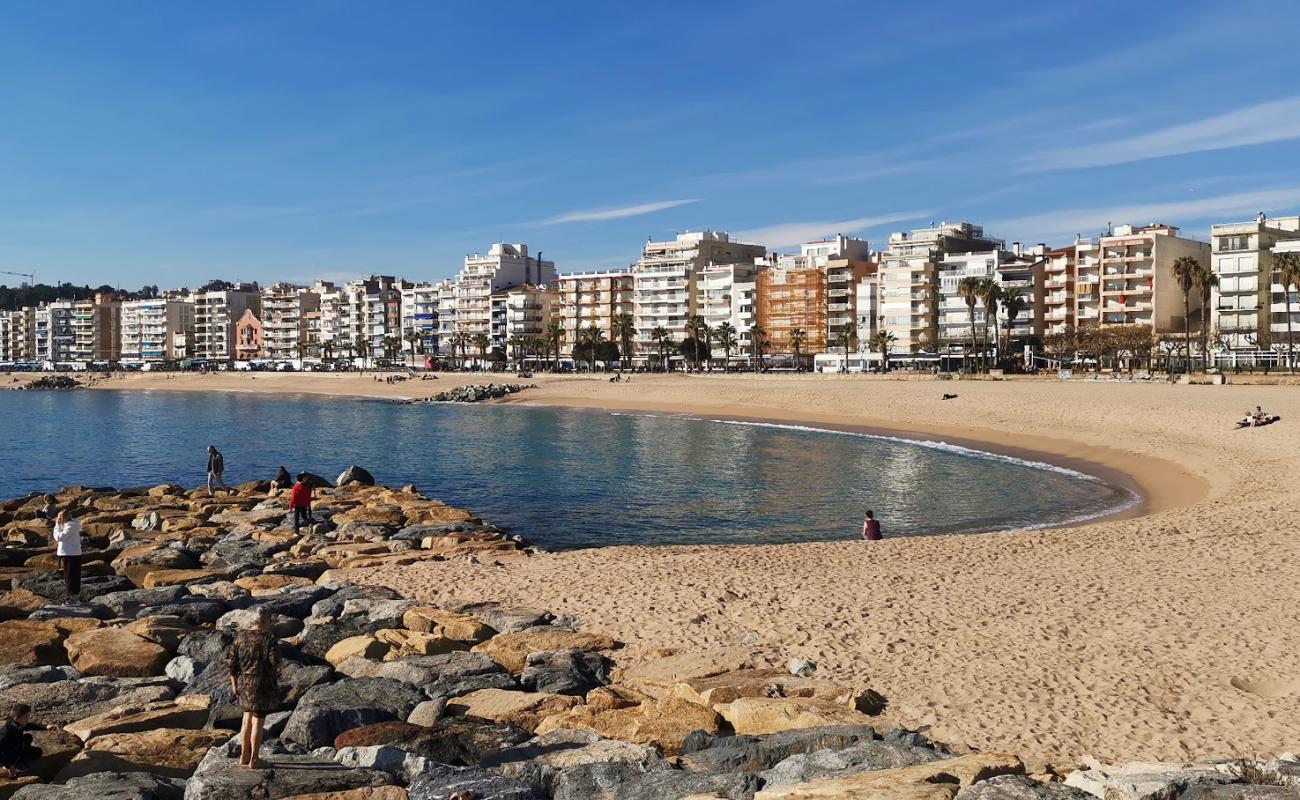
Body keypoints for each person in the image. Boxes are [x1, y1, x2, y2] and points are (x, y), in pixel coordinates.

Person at [225, 607, 280, 769]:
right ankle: (255, 760)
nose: (270, 624)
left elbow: (232, 664)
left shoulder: (240, 637)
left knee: (246, 720)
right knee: (258, 722)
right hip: (262, 685)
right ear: (264, 622)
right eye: (269, 621)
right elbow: (275, 661)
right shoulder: (268, 638)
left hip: (244, 684)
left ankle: (244, 756)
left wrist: (234, 684)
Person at [0, 703, 57, 778]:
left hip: (15, 748)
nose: (28, 719)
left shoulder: (17, 724)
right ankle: (10, 766)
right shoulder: (6, 732)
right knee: (34, 752)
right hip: (6, 756)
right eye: (26, 717)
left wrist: (45, 727)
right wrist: (9, 765)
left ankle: (18, 759)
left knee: (31, 741)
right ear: (16, 718)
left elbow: (30, 725)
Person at [51, 510, 81, 597]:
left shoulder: (70, 526)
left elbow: (59, 537)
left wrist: (57, 526)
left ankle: (72, 597)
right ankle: (74, 596)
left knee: (70, 577)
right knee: (72, 576)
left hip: (70, 554)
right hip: (72, 553)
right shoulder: (71, 525)